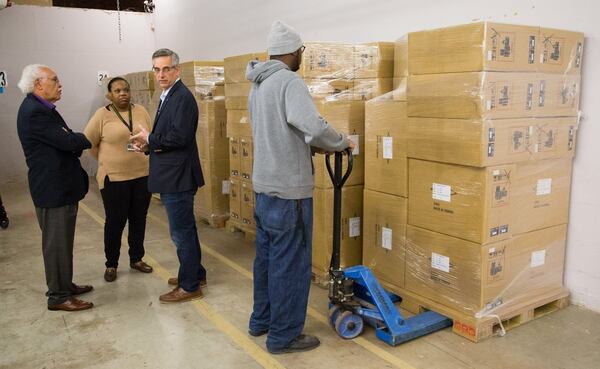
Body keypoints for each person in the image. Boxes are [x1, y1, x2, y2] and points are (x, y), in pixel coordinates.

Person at [246, 20, 354, 354]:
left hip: (264, 187)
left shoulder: (258, 85)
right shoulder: (288, 81)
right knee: (290, 265)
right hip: (289, 192)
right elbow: (312, 125)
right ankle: (284, 336)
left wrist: (308, 146)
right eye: (301, 52)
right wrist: (340, 142)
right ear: (294, 52)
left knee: (266, 260)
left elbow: (276, 131)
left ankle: (260, 321)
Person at [130, 48, 207, 303]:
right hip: (172, 174)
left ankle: (189, 286)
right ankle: (194, 273)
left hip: (178, 177)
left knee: (181, 232)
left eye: (166, 69)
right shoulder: (167, 94)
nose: (160, 74)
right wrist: (149, 145)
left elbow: (180, 137)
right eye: (156, 69)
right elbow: (171, 136)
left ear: (177, 70)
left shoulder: (182, 97)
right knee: (186, 229)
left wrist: (150, 138)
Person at [16, 64, 94, 312]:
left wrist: (72, 140)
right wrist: (79, 139)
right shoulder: (34, 113)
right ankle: (58, 296)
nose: (60, 84)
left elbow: (67, 138)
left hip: (60, 186)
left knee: (62, 242)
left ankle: (65, 285)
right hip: (53, 189)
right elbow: (69, 140)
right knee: (56, 244)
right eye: (55, 80)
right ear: (38, 84)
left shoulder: (43, 109)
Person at [84, 77, 154, 282]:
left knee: (138, 219)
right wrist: (107, 162)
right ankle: (111, 263)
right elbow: (90, 143)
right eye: (117, 91)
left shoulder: (141, 111)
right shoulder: (102, 115)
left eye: (125, 90)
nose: (122, 93)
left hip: (141, 175)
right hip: (114, 178)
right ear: (109, 95)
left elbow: (151, 136)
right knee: (115, 222)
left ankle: (136, 258)